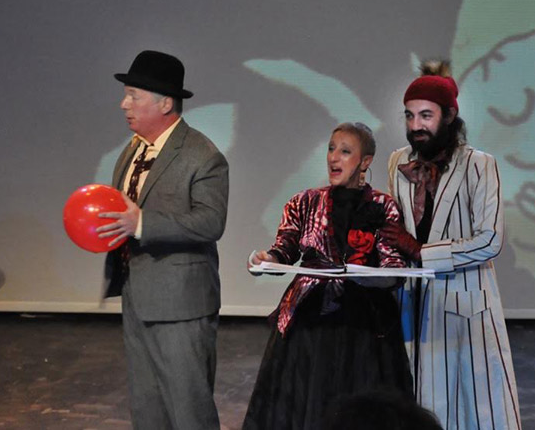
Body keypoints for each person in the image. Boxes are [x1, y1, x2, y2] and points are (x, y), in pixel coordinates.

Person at [244, 122, 413, 430]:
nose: (334, 157)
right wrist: (268, 259)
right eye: (332, 149)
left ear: (365, 161)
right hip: (311, 320)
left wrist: (371, 277)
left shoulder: (382, 206)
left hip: (363, 324)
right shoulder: (305, 202)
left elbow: (393, 265)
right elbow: (284, 248)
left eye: (345, 151)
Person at [383, 60, 521, 429]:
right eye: (410, 115)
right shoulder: (398, 162)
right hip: (414, 304)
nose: (416, 125)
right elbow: (394, 225)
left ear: (449, 116)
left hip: (465, 306)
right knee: (421, 402)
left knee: (477, 406)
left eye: (426, 115)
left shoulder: (479, 165)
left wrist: (421, 251)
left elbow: (489, 239)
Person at [96, 50, 229, 429]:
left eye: (133, 95)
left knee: (188, 411)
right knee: (147, 409)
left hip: (181, 304)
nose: (124, 104)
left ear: (165, 103)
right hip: (138, 296)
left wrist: (142, 224)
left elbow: (211, 221)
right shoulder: (133, 150)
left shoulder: (202, 155)